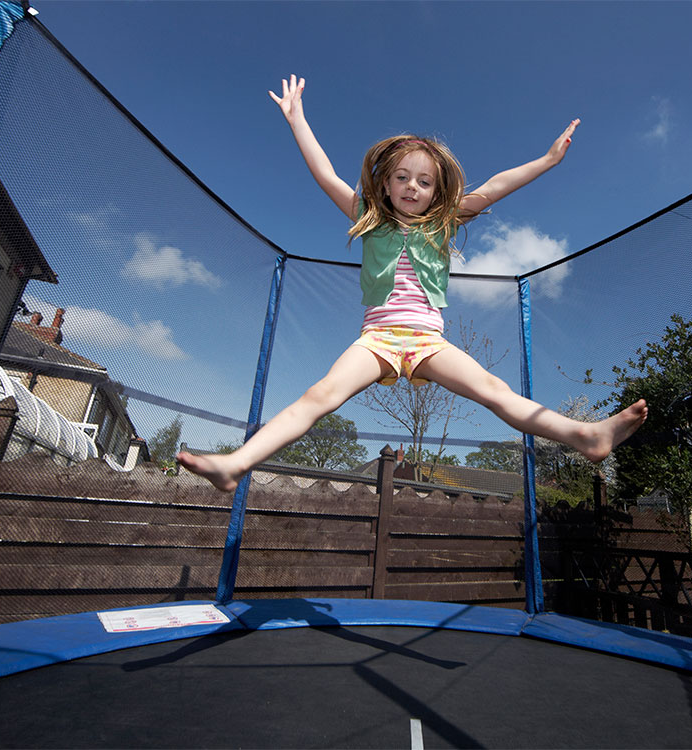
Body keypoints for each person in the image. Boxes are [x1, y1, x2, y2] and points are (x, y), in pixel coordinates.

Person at [177, 75, 647, 492]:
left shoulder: (442, 224)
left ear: (437, 192)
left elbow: (495, 186)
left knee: (495, 391)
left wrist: (546, 161)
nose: (411, 186)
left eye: (423, 181)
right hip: (377, 340)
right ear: (383, 185)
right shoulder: (369, 219)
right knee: (320, 395)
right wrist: (297, 118)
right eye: (401, 177)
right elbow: (324, 172)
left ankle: (588, 435)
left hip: (428, 340)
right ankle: (236, 463)